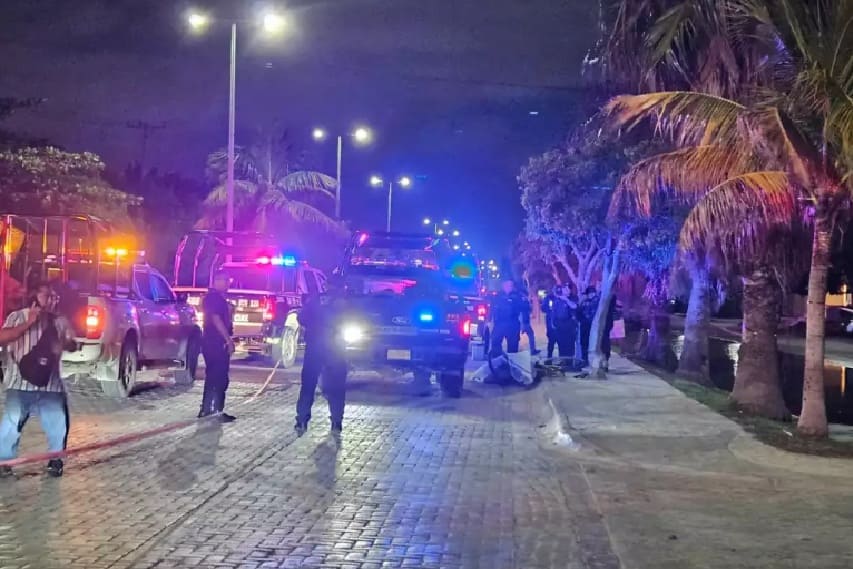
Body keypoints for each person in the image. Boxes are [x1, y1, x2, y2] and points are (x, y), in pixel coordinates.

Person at [0, 282, 74, 478]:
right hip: (19, 383)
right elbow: (3, 337)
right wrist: (29, 323)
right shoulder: (17, 316)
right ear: (35, 296)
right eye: (47, 295)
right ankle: (4, 462)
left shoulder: (59, 320)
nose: (51, 300)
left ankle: (55, 461)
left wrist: (65, 344)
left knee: (58, 422)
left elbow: (72, 343)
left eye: (54, 297)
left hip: (51, 386)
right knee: (11, 424)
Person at [295, 279, 348, 435]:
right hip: (336, 350)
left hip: (315, 347)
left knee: (308, 385)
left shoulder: (315, 300)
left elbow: (302, 318)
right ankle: (336, 422)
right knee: (337, 387)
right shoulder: (344, 302)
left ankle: (302, 420)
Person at [198, 271, 236, 422]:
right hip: (216, 342)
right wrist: (228, 340)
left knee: (213, 377)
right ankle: (216, 411)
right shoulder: (214, 298)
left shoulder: (216, 298)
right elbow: (216, 319)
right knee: (219, 377)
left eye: (228, 280)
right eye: (224, 280)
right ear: (216, 281)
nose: (227, 284)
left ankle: (207, 409)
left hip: (212, 342)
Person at [489, 278, 523, 356]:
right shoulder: (497, 297)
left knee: (513, 349)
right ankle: (497, 360)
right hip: (500, 324)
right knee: (495, 343)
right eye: (507, 285)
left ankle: (511, 361)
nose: (509, 287)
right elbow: (492, 310)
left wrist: (523, 324)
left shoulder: (517, 297)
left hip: (513, 324)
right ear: (503, 286)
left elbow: (523, 310)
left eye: (511, 285)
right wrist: (490, 322)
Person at [552, 285, 579, 361]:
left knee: (570, 345)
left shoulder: (573, 298)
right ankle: (562, 360)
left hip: (569, 326)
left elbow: (574, 307)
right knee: (561, 344)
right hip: (560, 326)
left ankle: (570, 361)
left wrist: (566, 299)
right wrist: (553, 323)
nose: (565, 290)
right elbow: (554, 312)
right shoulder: (557, 299)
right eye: (564, 289)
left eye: (567, 289)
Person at [578, 286, 599, 366]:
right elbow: (579, 313)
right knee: (584, 343)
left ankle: (595, 361)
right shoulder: (584, 302)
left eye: (592, 293)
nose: (591, 295)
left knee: (594, 344)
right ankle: (585, 360)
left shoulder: (597, 301)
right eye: (589, 293)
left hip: (593, 326)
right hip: (585, 325)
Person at [519, 286, 539, 355]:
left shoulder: (522, 300)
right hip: (524, 321)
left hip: (524, 321)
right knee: (531, 335)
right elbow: (527, 310)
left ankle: (532, 350)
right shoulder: (524, 300)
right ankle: (532, 350)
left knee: (530, 335)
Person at [539, 287, 558, 359]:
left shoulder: (562, 297)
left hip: (560, 323)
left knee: (561, 342)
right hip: (550, 322)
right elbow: (543, 308)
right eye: (554, 290)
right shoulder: (548, 298)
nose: (556, 291)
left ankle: (562, 358)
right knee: (551, 341)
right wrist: (549, 308)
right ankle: (549, 357)